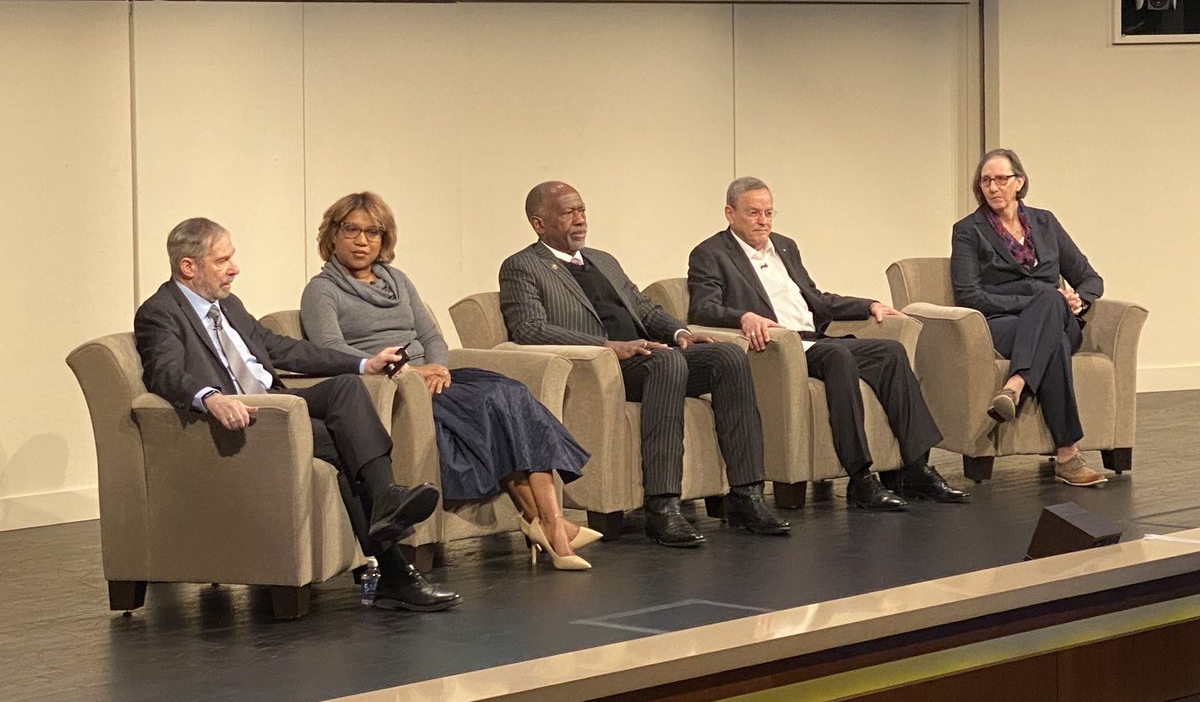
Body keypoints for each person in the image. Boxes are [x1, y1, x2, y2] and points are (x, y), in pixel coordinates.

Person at [134, 217, 461, 611]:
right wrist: (211, 398)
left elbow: (281, 348)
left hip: (279, 404)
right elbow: (164, 371)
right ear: (189, 267)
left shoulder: (229, 306)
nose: (234, 268)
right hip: (254, 418)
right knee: (345, 450)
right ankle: (395, 571)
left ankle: (385, 499)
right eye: (222, 261)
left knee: (346, 388)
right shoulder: (160, 312)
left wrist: (362, 364)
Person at [301, 192, 597, 571]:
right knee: (496, 408)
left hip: (436, 380)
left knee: (512, 394)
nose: (362, 241)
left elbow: (432, 336)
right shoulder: (322, 290)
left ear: (384, 238)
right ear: (333, 235)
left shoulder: (397, 280)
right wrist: (408, 374)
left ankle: (547, 523)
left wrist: (438, 368)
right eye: (352, 230)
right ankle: (554, 530)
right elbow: (332, 352)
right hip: (393, 389)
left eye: (373, 232)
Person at [499, 181, 790, 549]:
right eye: (569, 212)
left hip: (646, 354)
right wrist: (608, 346)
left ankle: (747, 495)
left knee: (727, 356)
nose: (580, 219)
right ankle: (663, 507)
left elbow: (645, 309)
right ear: (539, 224)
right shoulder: (522, 266)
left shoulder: (603, 260)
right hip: (600, 369)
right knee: (667, 363)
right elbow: (530, 329)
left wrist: (682, 332)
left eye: (583, 210)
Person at [688, 177, 969, 510]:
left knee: (890, 353)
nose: (763, 221)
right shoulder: (711, 253)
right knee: (836, 355)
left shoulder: (785, 246)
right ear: (730, 213)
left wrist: (867, 305)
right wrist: (744, 317)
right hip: (780, 348)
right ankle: (860, 477)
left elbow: (816, 299)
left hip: (814, 339)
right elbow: (702, 308)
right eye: (753, 213)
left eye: (768, 212)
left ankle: (915, 468)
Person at [951, 149, 1107, 487]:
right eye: (985, 181)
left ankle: (1015, 385)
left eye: (1001, 179)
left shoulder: (1045, 222)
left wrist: (1081, 300)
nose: (993, 187)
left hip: (1060, 318)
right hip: (1003, 323)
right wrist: (1038, 300)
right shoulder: (968, 230)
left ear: (1019, 182)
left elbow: (1091, 278)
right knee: (1054, 335)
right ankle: (1067, 455)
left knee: (1054, 310)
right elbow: (969, 295)